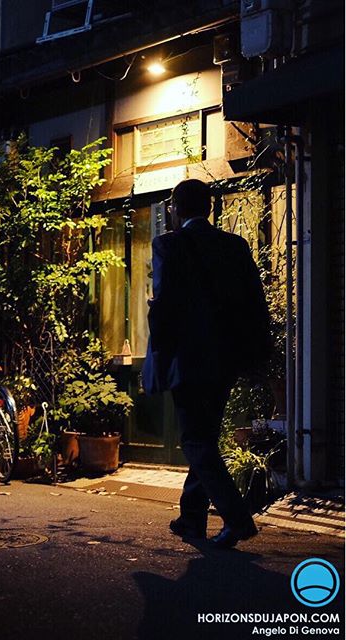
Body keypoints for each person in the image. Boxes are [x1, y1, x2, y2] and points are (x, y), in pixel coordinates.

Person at [142, 179, 271, 549]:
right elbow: (254, 303)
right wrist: (256, 355)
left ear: (175, 209)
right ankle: (191, 519)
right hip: (227, 359)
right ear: (210, 209)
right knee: (205, 436)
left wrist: (158, 359)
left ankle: (237, 519)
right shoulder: (235, 246)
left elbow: (165, 306)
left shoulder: (168, 244)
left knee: (196, 440)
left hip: (188, 359)